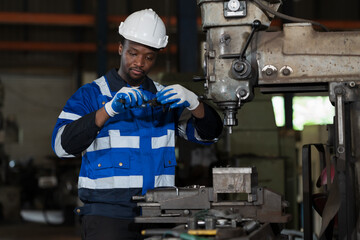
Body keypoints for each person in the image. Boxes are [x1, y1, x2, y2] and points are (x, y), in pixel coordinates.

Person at [51, 8, 223, 240]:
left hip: (160, 213)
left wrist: (195, 103)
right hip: (108, 217)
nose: (139, 62)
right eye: (133, 53)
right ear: (120, 49)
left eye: (149, 57)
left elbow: (209, 135)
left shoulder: (165, 99)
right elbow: (61, 146)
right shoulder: (91, 95)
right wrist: (108, 110)